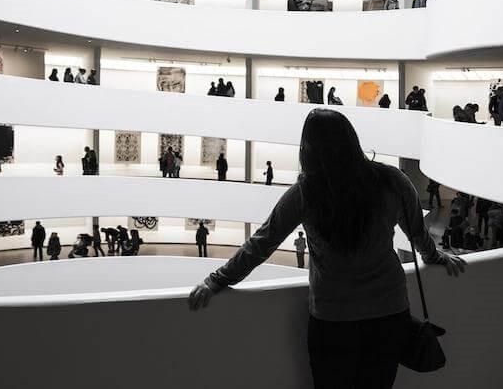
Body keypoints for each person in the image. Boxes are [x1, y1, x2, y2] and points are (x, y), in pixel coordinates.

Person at [188, 108, 466, 388]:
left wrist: (216, 281)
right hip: (389, 314)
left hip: (334, 319)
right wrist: (435, 257)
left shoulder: (307, 192)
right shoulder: (392, 181)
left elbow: (262, 242)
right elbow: (417, 233)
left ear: (308, 150)